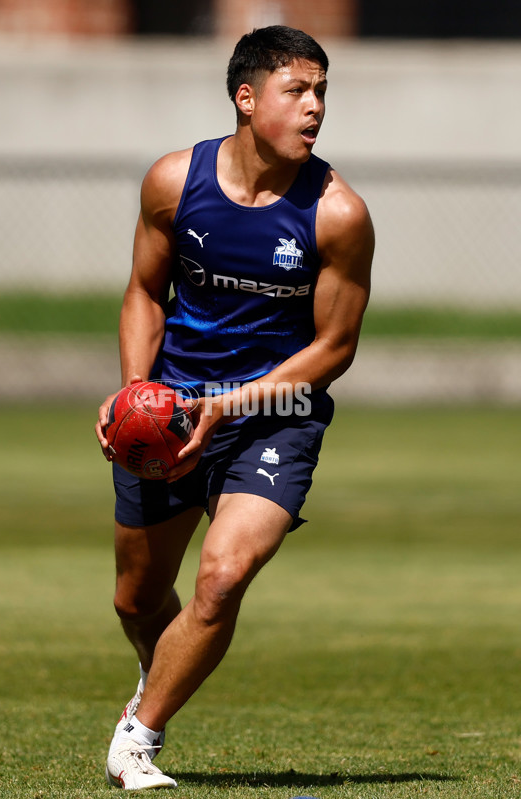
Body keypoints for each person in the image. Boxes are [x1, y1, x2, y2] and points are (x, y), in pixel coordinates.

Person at [95, 24, 374, 791]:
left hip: (277, 413)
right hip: (174, 411)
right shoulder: (173, 182)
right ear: (247, 99)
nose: (316, 107)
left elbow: (335, 347)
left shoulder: (338, 213)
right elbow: (145, 292)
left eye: (322, 91)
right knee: (137, 597)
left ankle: (137, 737)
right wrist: (134, 395)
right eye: (299, 90)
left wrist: (234, 402)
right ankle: (162, 672)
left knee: (221, 577)